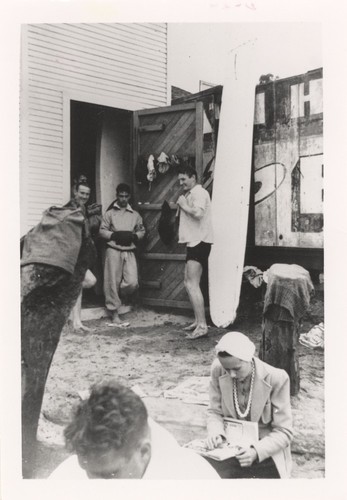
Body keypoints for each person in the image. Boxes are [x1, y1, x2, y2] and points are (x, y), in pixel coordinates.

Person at [49, 381, 220, 480]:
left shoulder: (194, 480)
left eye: (110, 475)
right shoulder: (66, 477)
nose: (98, 490)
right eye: (89, 473)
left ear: (144, 452)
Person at [205, 331, 293, 478]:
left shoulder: (277, 378)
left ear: (249, 359)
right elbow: (214, 412)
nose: (231, 374)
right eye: (227, 369)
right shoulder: (218, 369)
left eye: (237, 369)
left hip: (263, 450)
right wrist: (215, 433)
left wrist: (255, 451)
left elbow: (284, 432)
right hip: (229, 446)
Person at [176, 164, 213, 339]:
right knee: (188, 282)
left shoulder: (199, 193)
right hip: (194, 242)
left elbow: (198, 213)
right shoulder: (193, 193)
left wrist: (183, 204)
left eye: (184, 179)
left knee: (192, 284)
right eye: (179, 180)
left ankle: (202, 326)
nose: (181, 183)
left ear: (193, 177)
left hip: (199, 242)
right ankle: (198, 321)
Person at [99, 183, 145, 324]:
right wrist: (114, 236)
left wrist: (134, 236)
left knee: (132, 282)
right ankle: (114, 313)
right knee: (112, 281)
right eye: (121, 196)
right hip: (113, 249)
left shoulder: (135, 215)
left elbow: (142, 230)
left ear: (129, 196)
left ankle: (120, 296)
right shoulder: (110, 214)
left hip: (129, 250)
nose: (123, 199)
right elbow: (102, 230)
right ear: (117, 196)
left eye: (126, 196)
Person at [66, 176, 98, 332]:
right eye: (82, 193)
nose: (84, 196)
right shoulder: (70, 209)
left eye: (87, 194)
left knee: (81, 284)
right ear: (75, 192)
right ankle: (75, 321)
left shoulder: (83, 208)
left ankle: (76, 322)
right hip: (70, 255)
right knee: (87, 281)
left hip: (80, 255)